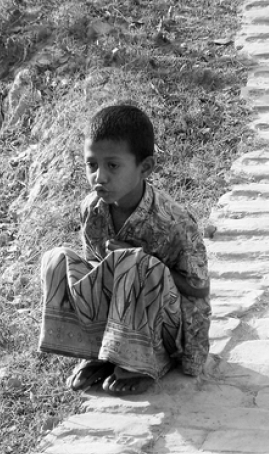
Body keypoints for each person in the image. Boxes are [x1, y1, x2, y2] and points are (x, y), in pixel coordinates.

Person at [38, 104, 210, 395]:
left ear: (146, 167)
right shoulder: (91, 210)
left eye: (113, 166)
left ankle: (142, 363)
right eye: (92, 165)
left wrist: (139, 257)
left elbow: (199, 288)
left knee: (134, 263)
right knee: (57, 260)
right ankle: (99, 353)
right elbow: (95, 271)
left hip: (168, 328)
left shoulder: (174, 221)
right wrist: (112, 264)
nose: (99, 177)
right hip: (120, 316)